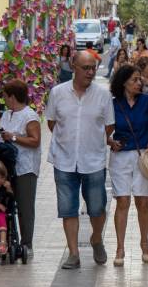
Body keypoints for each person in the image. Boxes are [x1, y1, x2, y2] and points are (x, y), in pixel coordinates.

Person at [45, 50, 115, 269]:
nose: (91, 72)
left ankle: (96, 238)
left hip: (93, 159)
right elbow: (51, 122)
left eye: (93, 68)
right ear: (73, 67)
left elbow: (109, 126)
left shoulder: (103, 95)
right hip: (64, 160)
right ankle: (73, 253)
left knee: (97, 207)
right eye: (86, 68)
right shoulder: (57, 93)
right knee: (68, 208)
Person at [108, 65, 148, 266]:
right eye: (135, 80)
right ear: (123, 83)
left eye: (140, 79)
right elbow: (103, 129)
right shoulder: (113, 104)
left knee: (142, 201)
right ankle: (120, 247)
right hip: (120, 156)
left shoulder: (146, 102)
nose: (139, 83)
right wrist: (109, 141)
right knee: (122, 200)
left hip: (143, 155)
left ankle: (144, 242)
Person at [0, 79, 41, 252]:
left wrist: (13, 137)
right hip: (6, 169)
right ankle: (13, 239)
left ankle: (27, 244)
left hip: (25, 168)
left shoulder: (30, 116)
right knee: (9, 203)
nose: (4, 100)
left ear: (12, 97)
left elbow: (35, 141)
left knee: (25, 207)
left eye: (5, 96)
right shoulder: (7, 114)